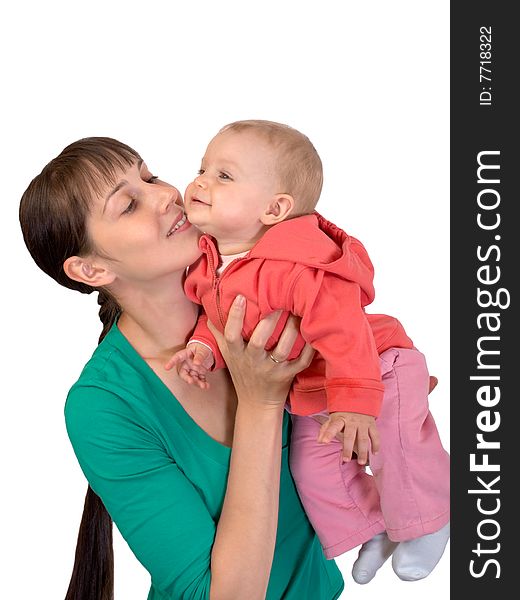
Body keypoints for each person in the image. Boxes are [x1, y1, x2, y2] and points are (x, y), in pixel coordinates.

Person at [18, 137, 345, 600]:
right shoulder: (104, 407)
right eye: (129, 204)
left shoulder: (258, 306)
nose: (167, 193)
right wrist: (261, 402)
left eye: (150, 176)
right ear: (91, 271)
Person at [168, 120, 451, 583]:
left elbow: (343, 332)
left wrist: (358, 402)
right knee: (312, 469)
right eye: (202, 168)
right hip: (313, 392)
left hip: (377, 367)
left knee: (395, 446)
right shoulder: (210, 261)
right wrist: (201, 349)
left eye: (224, 175)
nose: (200, 181)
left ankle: (430, 520)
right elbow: (215, 317)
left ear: (275, 209)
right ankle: (372, 526)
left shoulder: (296, 267)